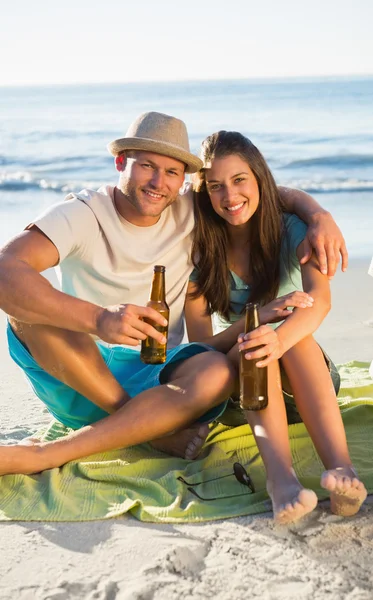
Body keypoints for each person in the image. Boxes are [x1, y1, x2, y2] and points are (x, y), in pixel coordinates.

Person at [0, 112, 348, 476]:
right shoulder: (82, 214)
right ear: (121, 162)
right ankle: (136, 432)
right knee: (27, 309)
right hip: (82, 374)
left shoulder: (188, 208)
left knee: (221, 368)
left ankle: (127, 432)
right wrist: (99, 319)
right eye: (146, 165)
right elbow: (6, 271)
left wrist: (319, 214)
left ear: (184, 179)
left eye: (171, 172)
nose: (158, 182)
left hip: (160, 380)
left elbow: (255, 192)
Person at [184, 130, 367, 524]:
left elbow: (321, 300)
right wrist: (260, 320)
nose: (229, 197)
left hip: (306, 385)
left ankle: (341, 469)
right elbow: (200, 352)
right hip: (240, 393)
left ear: (259, 180)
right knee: (258, 340)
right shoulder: (200, 248)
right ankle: (280, 481)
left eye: (239, 180)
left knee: (285, 335)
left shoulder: (291, 229)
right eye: (215, 186)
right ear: (205, 193)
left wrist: (277, 336)